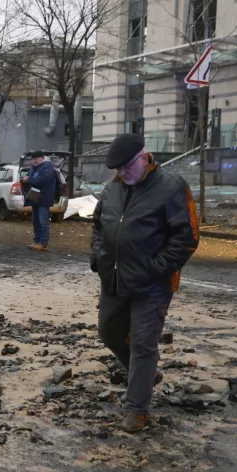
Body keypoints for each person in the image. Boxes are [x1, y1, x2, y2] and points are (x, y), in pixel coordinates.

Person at [91, 134, 200, 433]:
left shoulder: (172, 188)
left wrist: (155, 268)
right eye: (117, 170)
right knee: (108, 332)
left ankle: (136, 409)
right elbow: (98, 225)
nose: (121, 174)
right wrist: (97, 257)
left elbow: (187, 238)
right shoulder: (112, 188)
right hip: (113, 278)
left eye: (126, 167)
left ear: (144, 157)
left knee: (142, 343)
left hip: (153, 285)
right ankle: (145, 375)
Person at [20, 150, 58, 251]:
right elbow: (32, 177)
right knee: (36, 221)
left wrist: (28, 180)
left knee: (43, 221)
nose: (34, 161)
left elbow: (43, 180)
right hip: (35, 197)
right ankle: (37, 241)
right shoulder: (35, 167)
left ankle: (43, 243)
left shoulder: (47, 167)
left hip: (43, 198)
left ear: (42, 157)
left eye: (36, 159)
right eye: (33, 159)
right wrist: (26, 179)